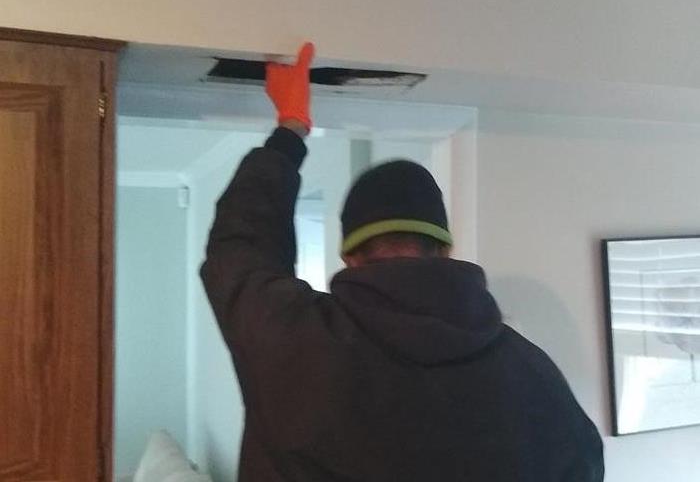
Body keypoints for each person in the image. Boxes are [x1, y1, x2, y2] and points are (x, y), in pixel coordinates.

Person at [201, 42, 605, 482]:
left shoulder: (297, 341)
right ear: (445, 250)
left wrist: (291, 128)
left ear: (350, 256)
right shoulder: (530, 374)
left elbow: (239, 250)